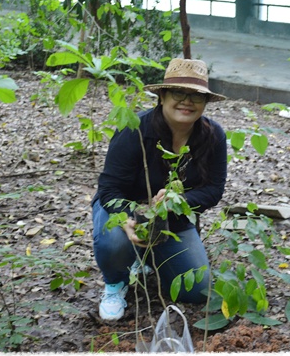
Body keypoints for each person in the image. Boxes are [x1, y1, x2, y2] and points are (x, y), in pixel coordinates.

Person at [91, 58, 228, 321]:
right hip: (125, 208)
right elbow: (109, 188)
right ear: (162, 96)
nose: (187, 102)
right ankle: (115, 283)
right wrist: (127, 219)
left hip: (172, 218)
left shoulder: (212, 136)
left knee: (196, 290)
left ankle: (147, 256)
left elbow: (213, 189)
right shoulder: (134, 129)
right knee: (115, 240)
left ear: (205, 102)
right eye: (178, 93)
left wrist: (179, 200)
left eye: (196, 96)